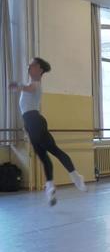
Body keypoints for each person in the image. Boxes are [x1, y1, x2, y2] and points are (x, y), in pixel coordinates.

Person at [9, 58, 87, 206]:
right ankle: (50, 187)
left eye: (33, 65)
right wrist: (26, 128)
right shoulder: (29, 84)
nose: (29, 66)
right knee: (44, 157)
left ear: (40, 70)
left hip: (36, 122)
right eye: (30, 64)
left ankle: (76, 177)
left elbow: (30, 89)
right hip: (31, 124)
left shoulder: (36, 84)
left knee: (54, 151)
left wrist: (17, 85)